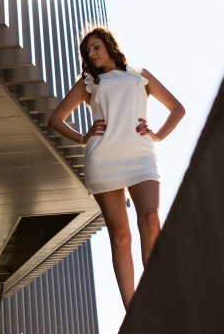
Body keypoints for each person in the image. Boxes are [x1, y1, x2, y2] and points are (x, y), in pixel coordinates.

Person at [47, 26, 185, 308]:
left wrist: (157, 135)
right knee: (120, 236)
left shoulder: (139, 76)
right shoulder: (89, 83)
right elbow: (56, 118)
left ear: (109, 45)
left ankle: (156, 291)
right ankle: (133, 309)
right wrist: (83, 137)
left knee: (151, 218)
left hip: (141, 156)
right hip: (104, 159)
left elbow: (177, 109)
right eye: (87, 51)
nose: (92, 53)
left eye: (96, 46)